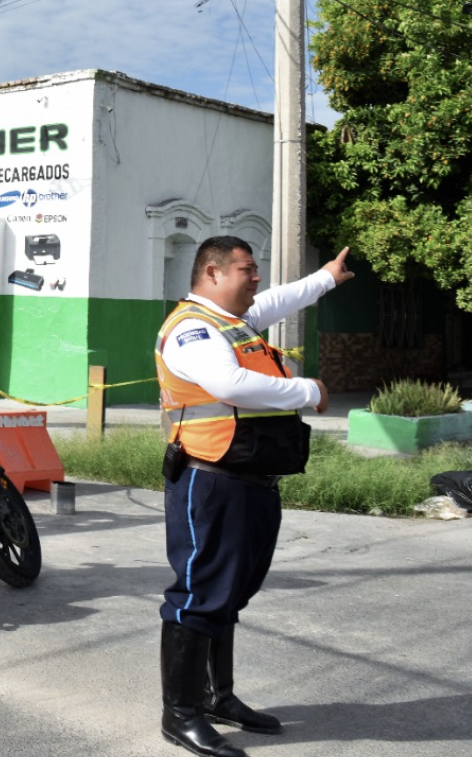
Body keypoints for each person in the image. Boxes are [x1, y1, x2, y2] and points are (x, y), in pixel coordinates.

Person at [154, 237, 353, 757]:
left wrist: (327, 277)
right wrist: (310, 391)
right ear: (213, 273)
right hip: (210, 479)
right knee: (200, 595)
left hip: (252, 480)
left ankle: (220, 697)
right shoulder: (193, 328)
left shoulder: (232, 320)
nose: (257, 279)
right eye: (247, 270)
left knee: (231, 593)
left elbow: (281, 300)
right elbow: (230, 384)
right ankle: (180, 713)